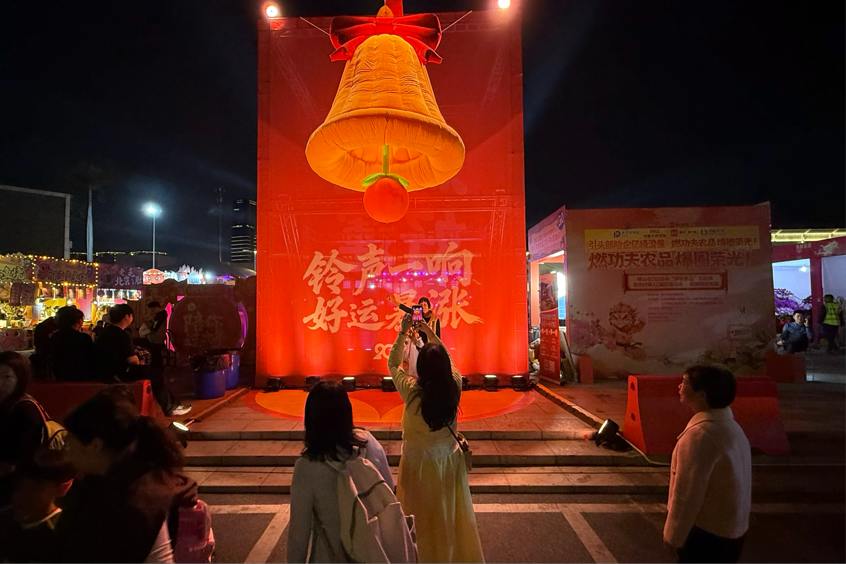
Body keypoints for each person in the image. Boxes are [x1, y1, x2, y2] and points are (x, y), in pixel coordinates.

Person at [51, 390, 198, 563]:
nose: (66, 450)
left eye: (70, 441)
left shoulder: (133, 503)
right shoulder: (102, 484)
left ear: (95, 445)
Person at [387, 314, 484, 564]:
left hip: (417, 466)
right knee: (447, 517)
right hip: (448, 464)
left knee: (417, 520)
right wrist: (430, 333)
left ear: (420, 369)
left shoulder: (411, 392)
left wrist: (403, 331)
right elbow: (449, 359)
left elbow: (393, 365)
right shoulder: (455, 386)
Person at [288, 381, 393, 564]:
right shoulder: (368, 444)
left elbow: (299, 535)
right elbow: (388, 492)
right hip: (372, 553)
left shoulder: (306, 467)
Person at [664, 366, 751, 564]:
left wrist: (673, 536)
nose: (679, 386)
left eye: (685, 382)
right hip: (732, 531)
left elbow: (687, 493)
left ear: (702, 395)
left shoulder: (701, 435)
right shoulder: (731, 427)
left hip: (707, 535)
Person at [94, 304, 190, 417]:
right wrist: (140, 362)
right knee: (155, 374)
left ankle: (171, 405)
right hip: (118, 373)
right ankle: (170, 407)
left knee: (152, 372)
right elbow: (132, 360)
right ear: (127, 317)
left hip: (105, 371)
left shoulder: (105, 332)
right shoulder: (122, 335)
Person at [0, 448, 75, 563]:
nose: (22, 496)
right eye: (19, 487)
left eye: (34, 489)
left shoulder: (65, 534)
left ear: (64, 487)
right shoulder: (5, 519)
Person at [0, 352, 48, 506]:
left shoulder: (24, 410)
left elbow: (11, 463)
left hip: (19, 490)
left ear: (20, 378)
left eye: (7, 377)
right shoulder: (6, 405)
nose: (0, 383)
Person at [49, 306, 95, 382]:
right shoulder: (84, 338)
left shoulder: (54, 337)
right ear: (78, 321)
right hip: (82, 377)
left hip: (60, 376)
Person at [146, 301, 169, 371]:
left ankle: (156, 369)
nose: (152, 312)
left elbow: (154, 328)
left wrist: (148, 323)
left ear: (155, 308)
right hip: (158, 338)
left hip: (157, 338)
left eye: (152, 310)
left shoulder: (160, 316)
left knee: (156, 355)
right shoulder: (162, 315)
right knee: (156, 354)